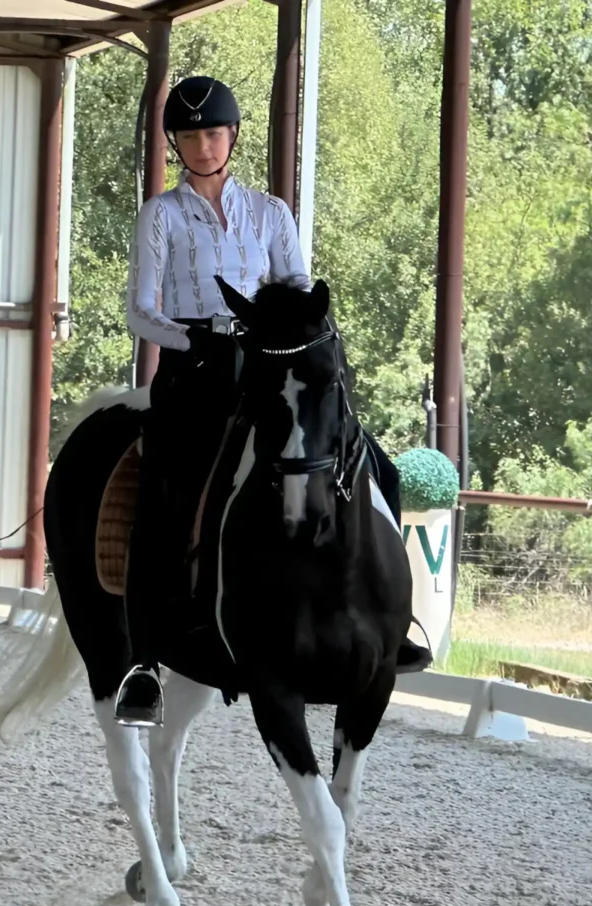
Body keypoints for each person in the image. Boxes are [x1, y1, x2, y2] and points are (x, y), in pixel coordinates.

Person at [115, 76, 426, 727]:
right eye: (192, 136)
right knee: (163, 483)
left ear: (232, 137)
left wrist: (293, 331)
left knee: (379, 467)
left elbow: (298, 284)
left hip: (270, 368)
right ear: (177, 143)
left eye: (214, 133)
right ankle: (144, 659)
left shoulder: (271, 212)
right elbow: (140, 312)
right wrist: (195, 333)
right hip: (195, 372)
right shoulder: (162, 216)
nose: (204, 145)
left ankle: (391, 620)